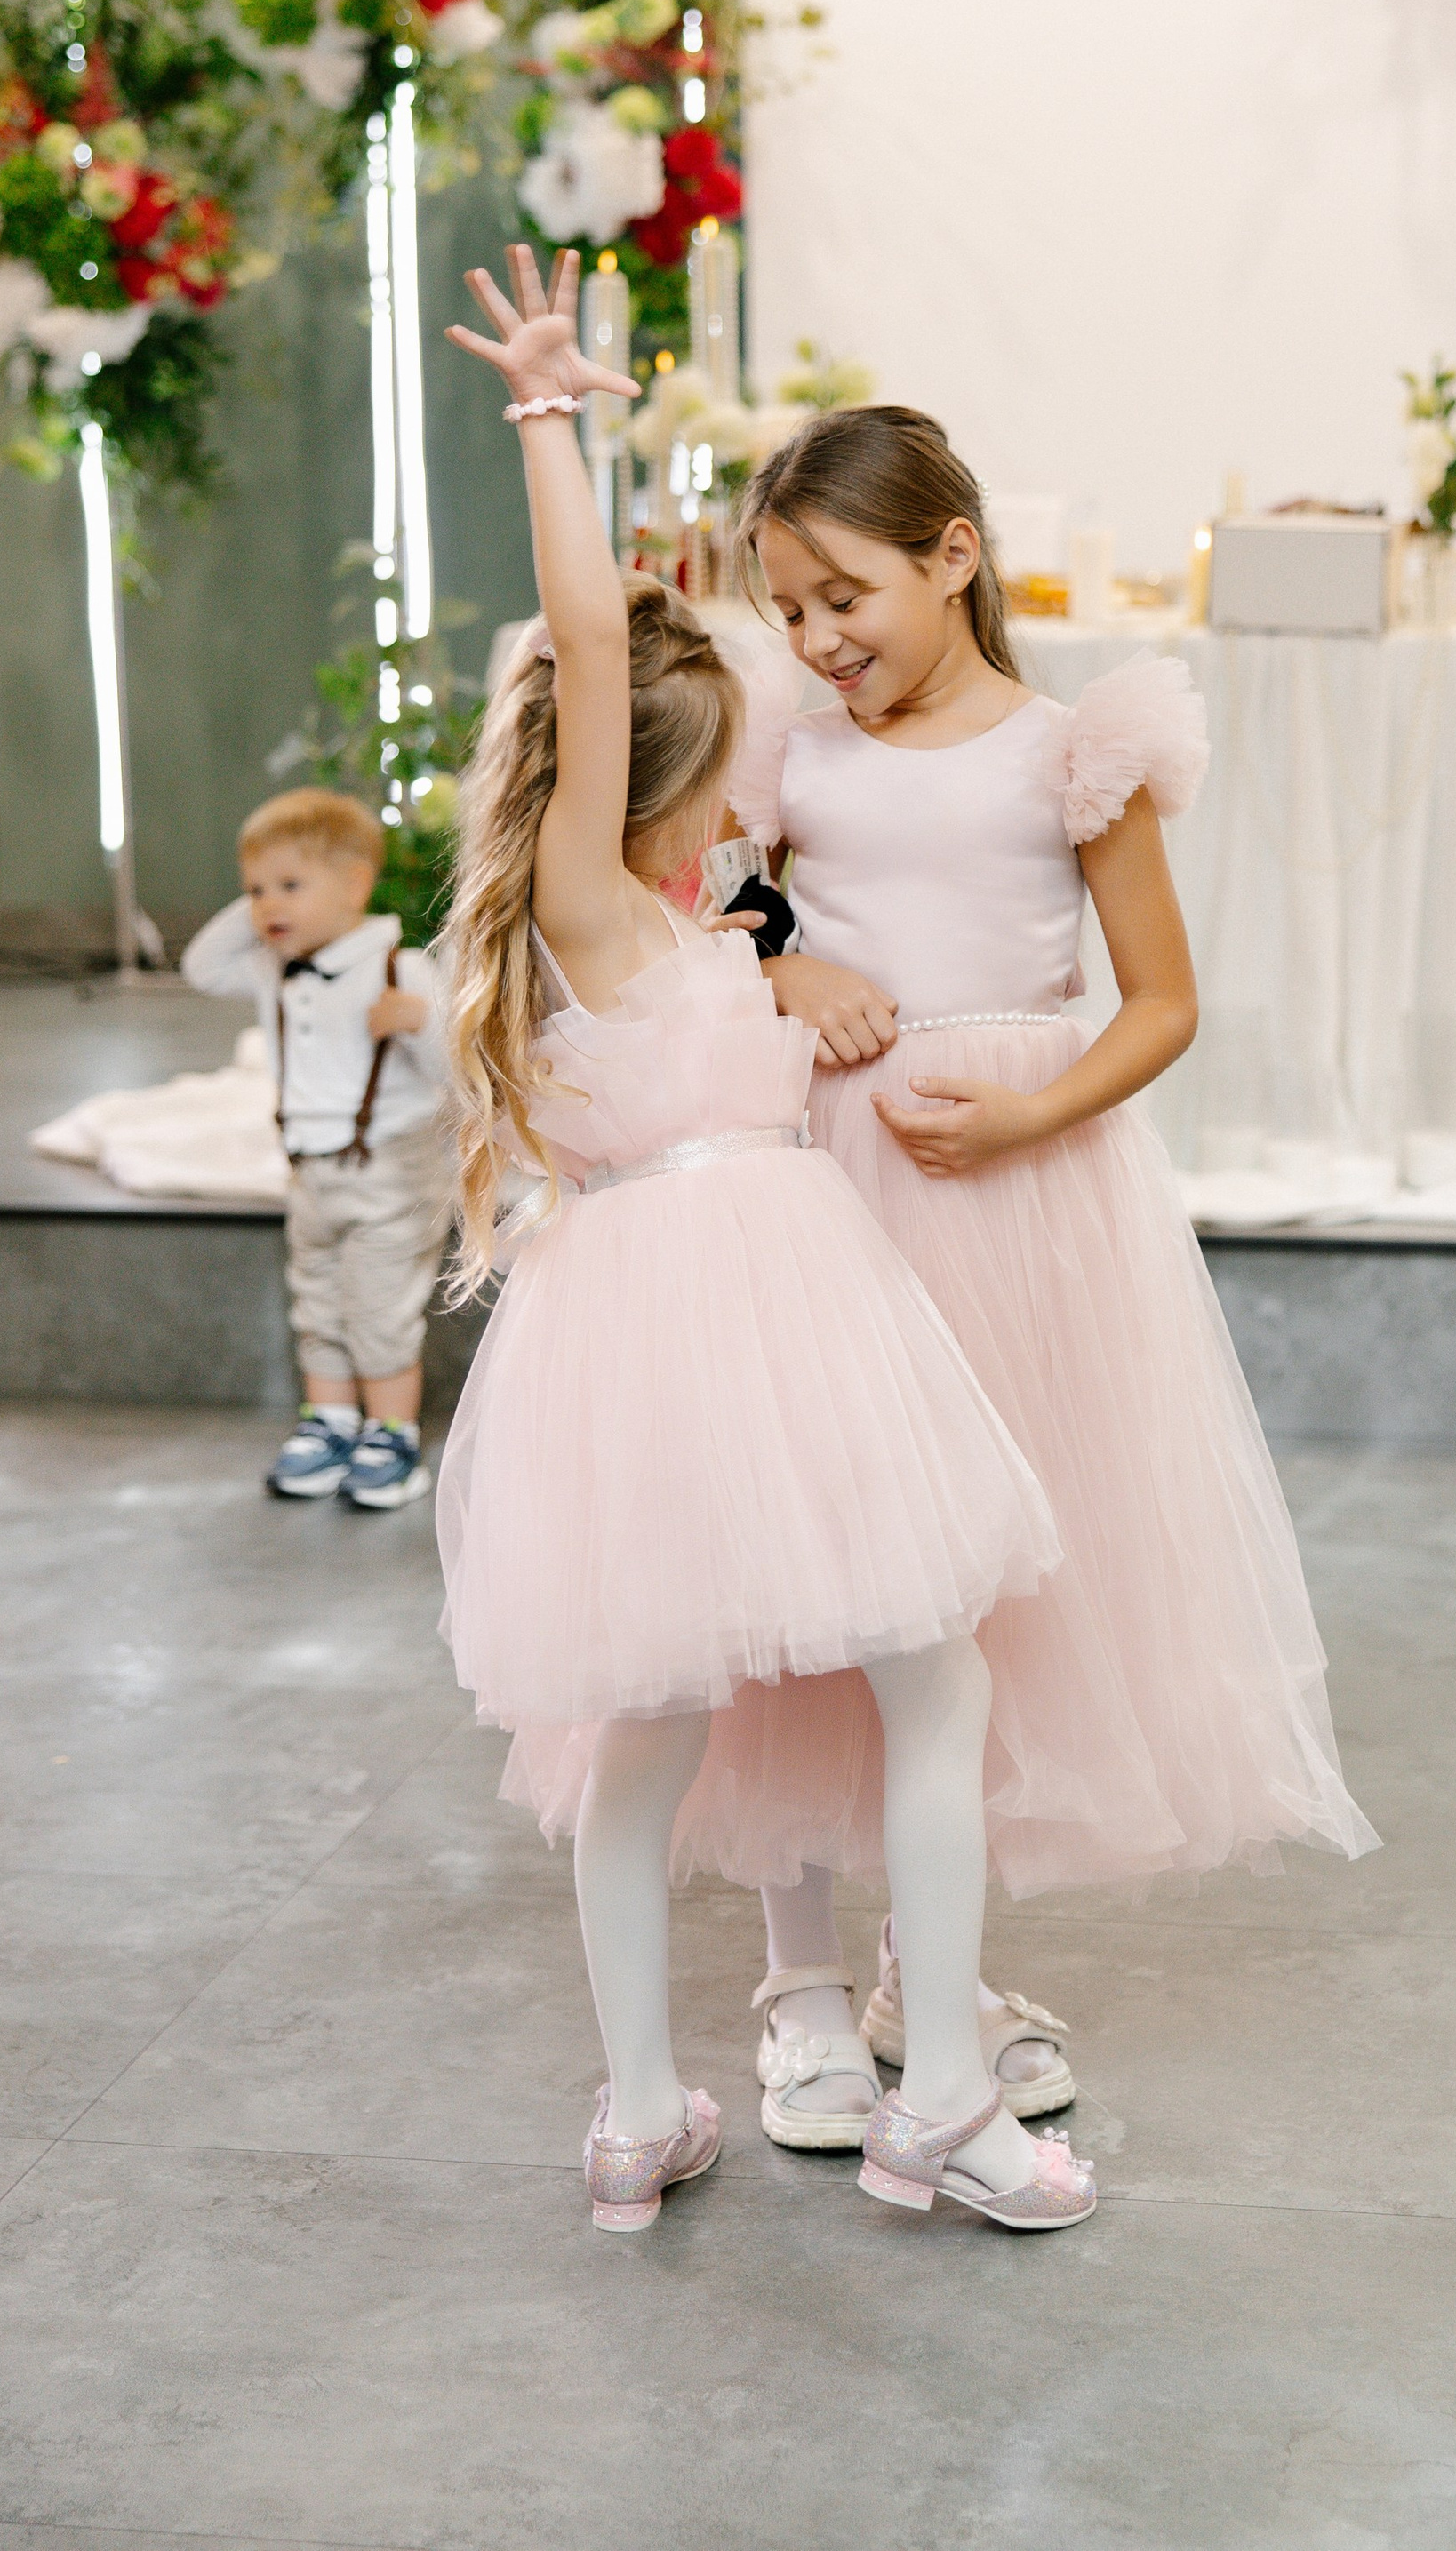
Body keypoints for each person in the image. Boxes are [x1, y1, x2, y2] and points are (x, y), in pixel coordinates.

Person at [432, 246, 1092, 2237]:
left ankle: (643, 2112)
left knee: (645, 1741)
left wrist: (773, 965)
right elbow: (586, 631)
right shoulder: (597, 899)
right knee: (933, 1684)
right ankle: (943, 2097)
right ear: (647, 783)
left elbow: (746, 940)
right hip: (752, 1316)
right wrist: (550, 419)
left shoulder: (671, 930)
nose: (744, 814)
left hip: (654, 1336)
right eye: (717, 782)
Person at [703, 404, 1378, 2151]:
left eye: (844, 595)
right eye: (790, 608)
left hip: (1008, 1206)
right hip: (820, 1188)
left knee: (968, 1602)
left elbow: (1160, 1002)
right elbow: (710, 911)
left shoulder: (1074, 756)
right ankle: (793, 1985)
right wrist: (789, 972)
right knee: (804, 1569)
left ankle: (925, 1975)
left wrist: (1027, 1115)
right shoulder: (784, 754)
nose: (817, 637)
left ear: (952, 555)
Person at [183, 788, 451, 1511]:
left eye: (291, 885)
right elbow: (201, 967)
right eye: (255, 890)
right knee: (318, 1303)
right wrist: (271, 905)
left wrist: (419, 1022)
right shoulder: (272, 965)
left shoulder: (400, 969)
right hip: (308, 1173)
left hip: (391, 1172)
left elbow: (459, 1073)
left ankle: (391, 1433)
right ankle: (329, 1421)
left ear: (356, 885)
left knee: (378, 1309)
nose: (268, 905)